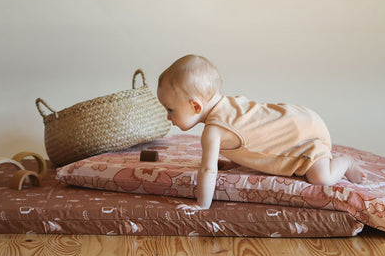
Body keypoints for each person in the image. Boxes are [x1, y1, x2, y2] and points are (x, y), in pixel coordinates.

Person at [157, 54, 366, 211]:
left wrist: (202, 206)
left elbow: (207, 171)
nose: (168, 117)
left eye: (170, 110)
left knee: (321, 178)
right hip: (300, 118)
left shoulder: (213, 132)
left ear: (195, 106)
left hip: (304, 135)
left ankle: (344, 162)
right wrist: (236, 163)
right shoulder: (230, 105)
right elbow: (257, 138)